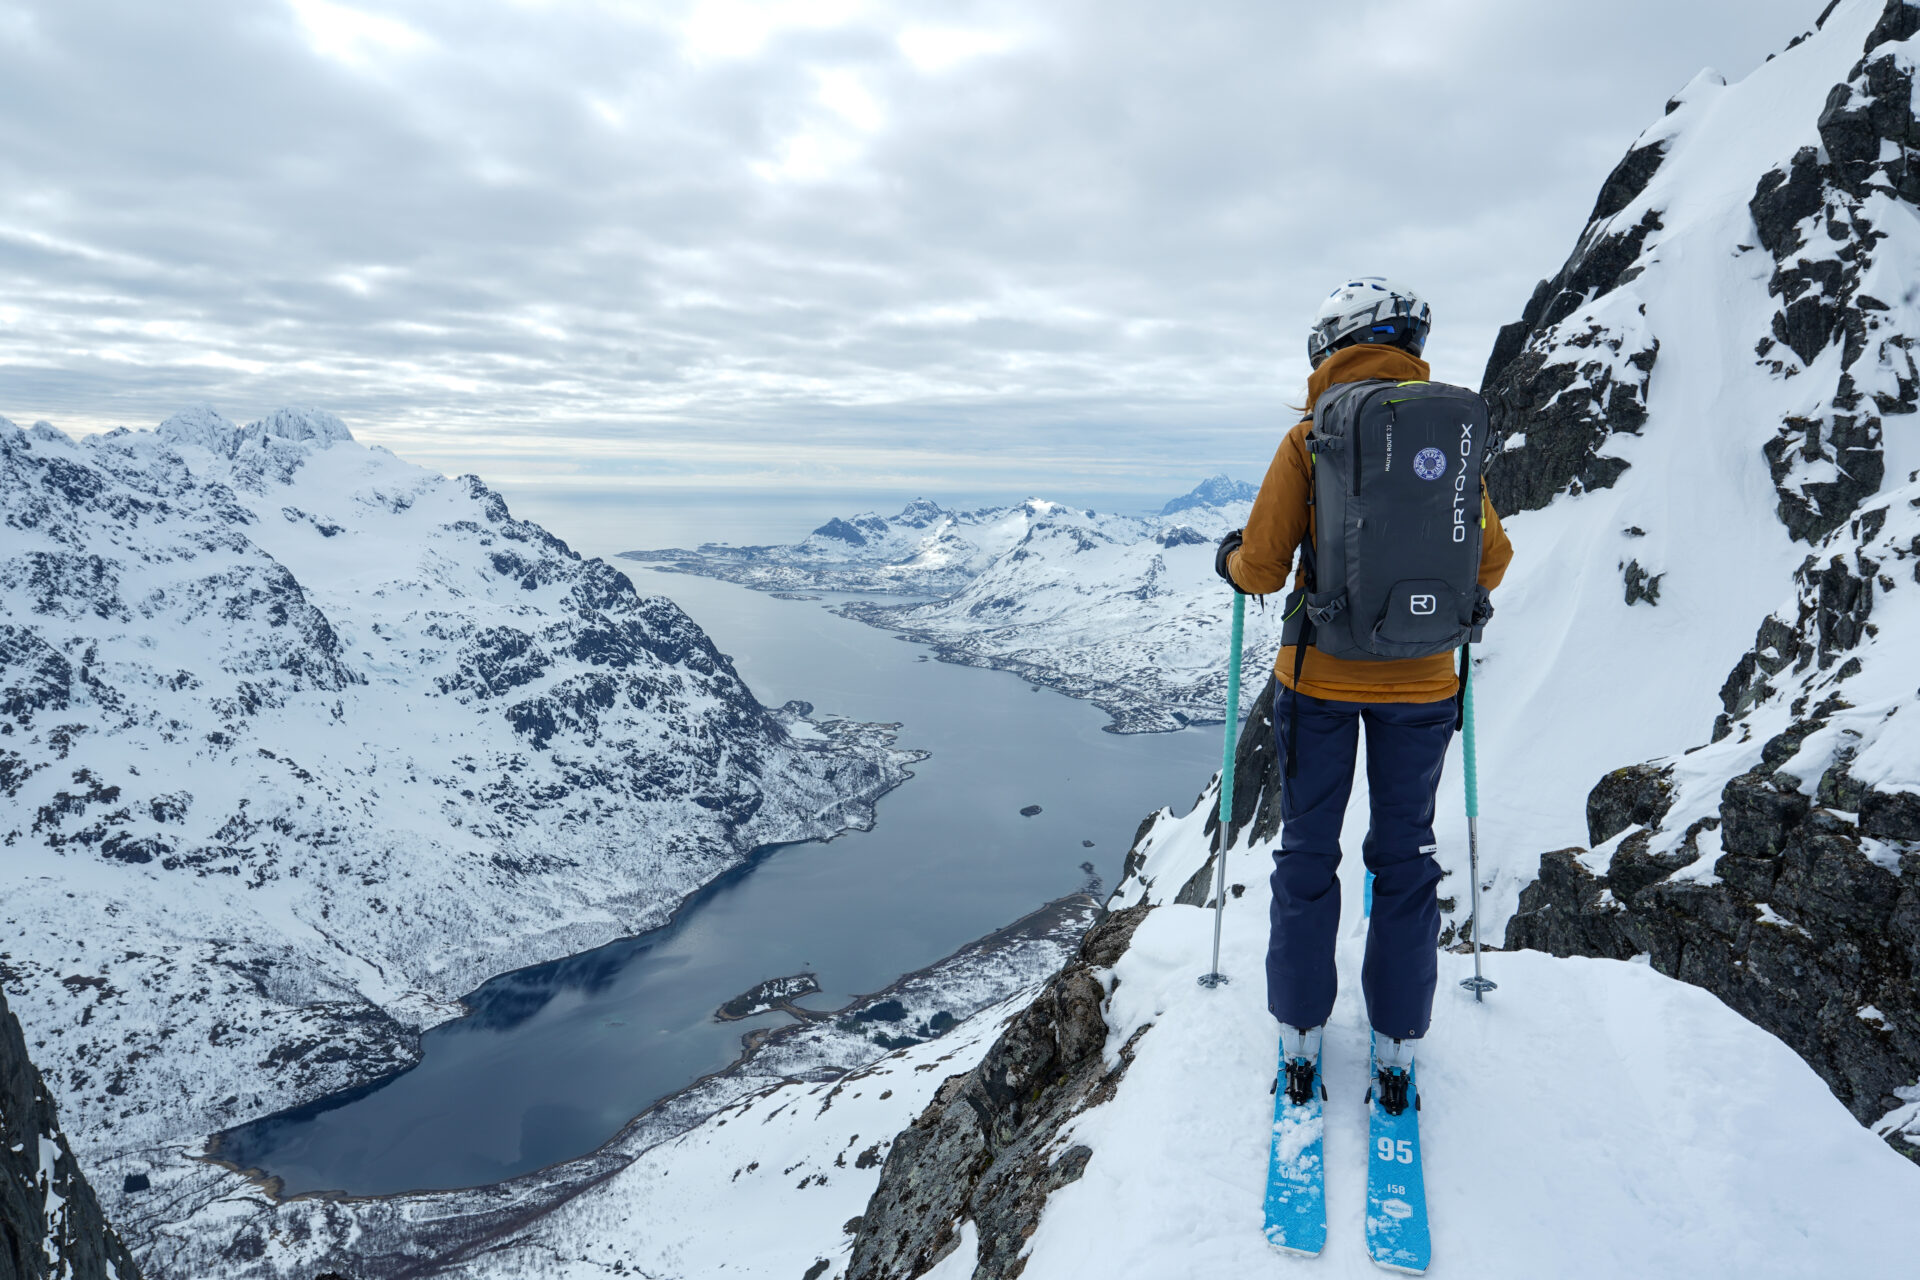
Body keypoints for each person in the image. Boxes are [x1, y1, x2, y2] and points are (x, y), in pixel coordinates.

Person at [1213, 277, 1513, 1092]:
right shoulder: (1448, 441)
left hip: (1319, 681)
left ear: (1332, 342)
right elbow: (1491, 559)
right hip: (1422, 688)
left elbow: (1265, 567)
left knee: (1309, 851)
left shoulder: (1310, 437)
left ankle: (1303, 1031)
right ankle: (1397, 1040)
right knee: (1406, 856)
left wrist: (1230, 561)